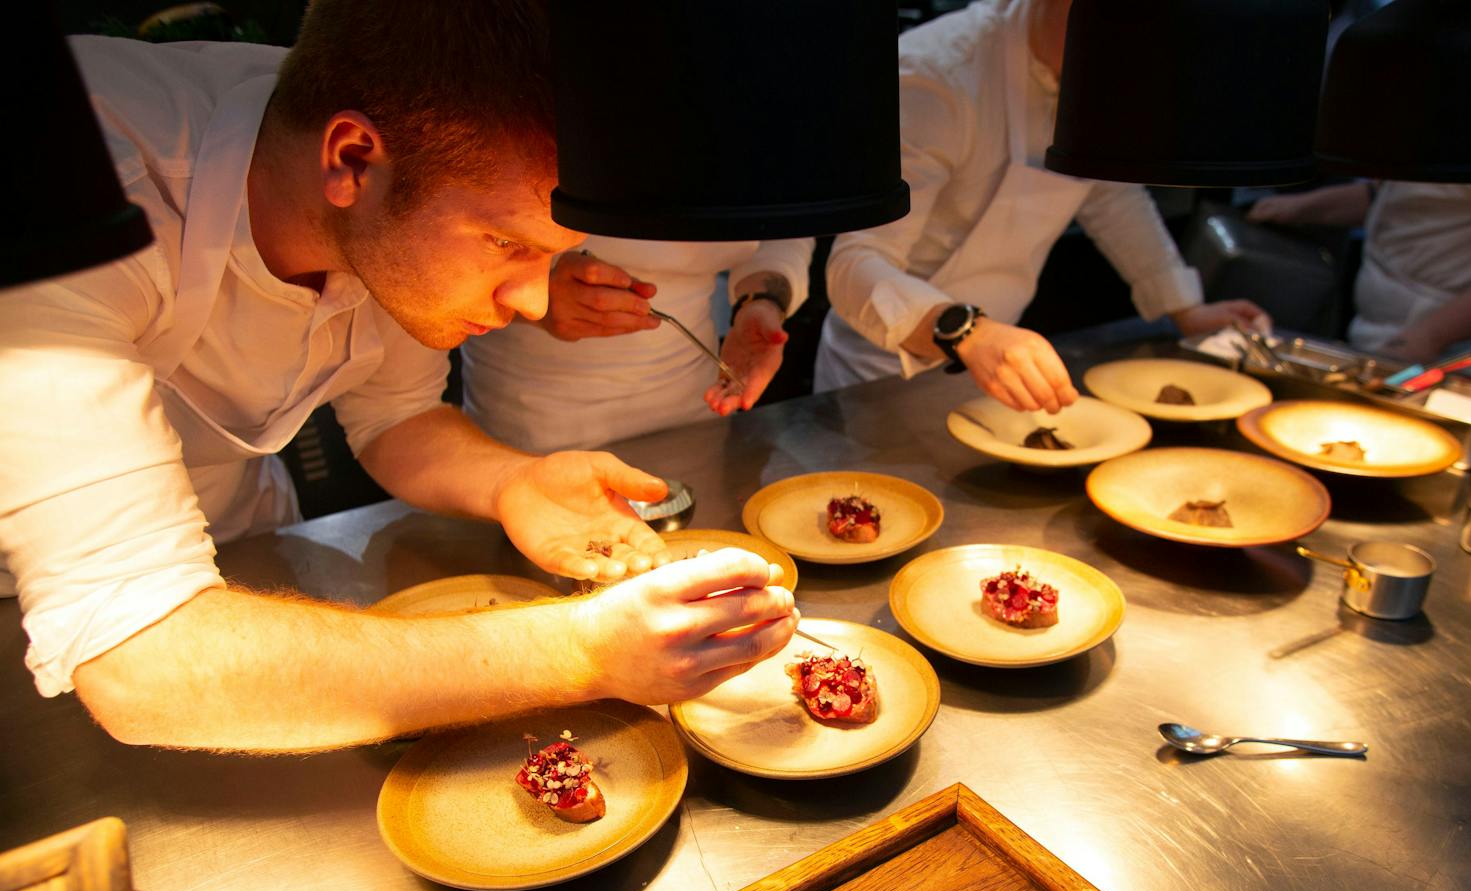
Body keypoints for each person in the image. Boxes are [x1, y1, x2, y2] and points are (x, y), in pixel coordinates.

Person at [0, 0, 798, 753]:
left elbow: (395, 418)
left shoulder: (388, 190)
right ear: (351, 159)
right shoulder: (72, 175)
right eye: (506, 245)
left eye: (551, 255)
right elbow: (142, 660)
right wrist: (582, 651)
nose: (530, 302)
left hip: (238, 544)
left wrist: (512, 482)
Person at [815, 0, 1271, 414]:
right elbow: (855, 265)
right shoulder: (936, 75)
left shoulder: (1110, 72)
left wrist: (1184, 305)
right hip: (875, 377)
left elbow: (1109, 194)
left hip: (996, 370)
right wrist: (967, 332)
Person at [1248, 0, 1471, 386]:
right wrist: (1306, 208)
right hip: (1395, 338)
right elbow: (1442, 192)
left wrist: (1431, 333)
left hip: (1468, 367)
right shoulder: (1445, 26)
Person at [461, 238, 813, 454]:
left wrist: (762, 300)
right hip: (534, 428)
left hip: (693, 417)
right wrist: (531, 298)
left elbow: (781, 224)